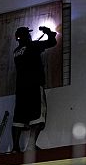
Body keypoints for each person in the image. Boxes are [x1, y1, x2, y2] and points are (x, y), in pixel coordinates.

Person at [11, 25, 57, 153]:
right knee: (38, 115)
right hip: (34, 86)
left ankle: (15, 148)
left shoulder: (16, 51)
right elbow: (52, 42)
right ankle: (31, 146)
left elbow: (31, 49)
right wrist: (48, 32)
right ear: (27, 36)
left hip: (20, 89)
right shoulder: (33, 46)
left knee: (19, 118)